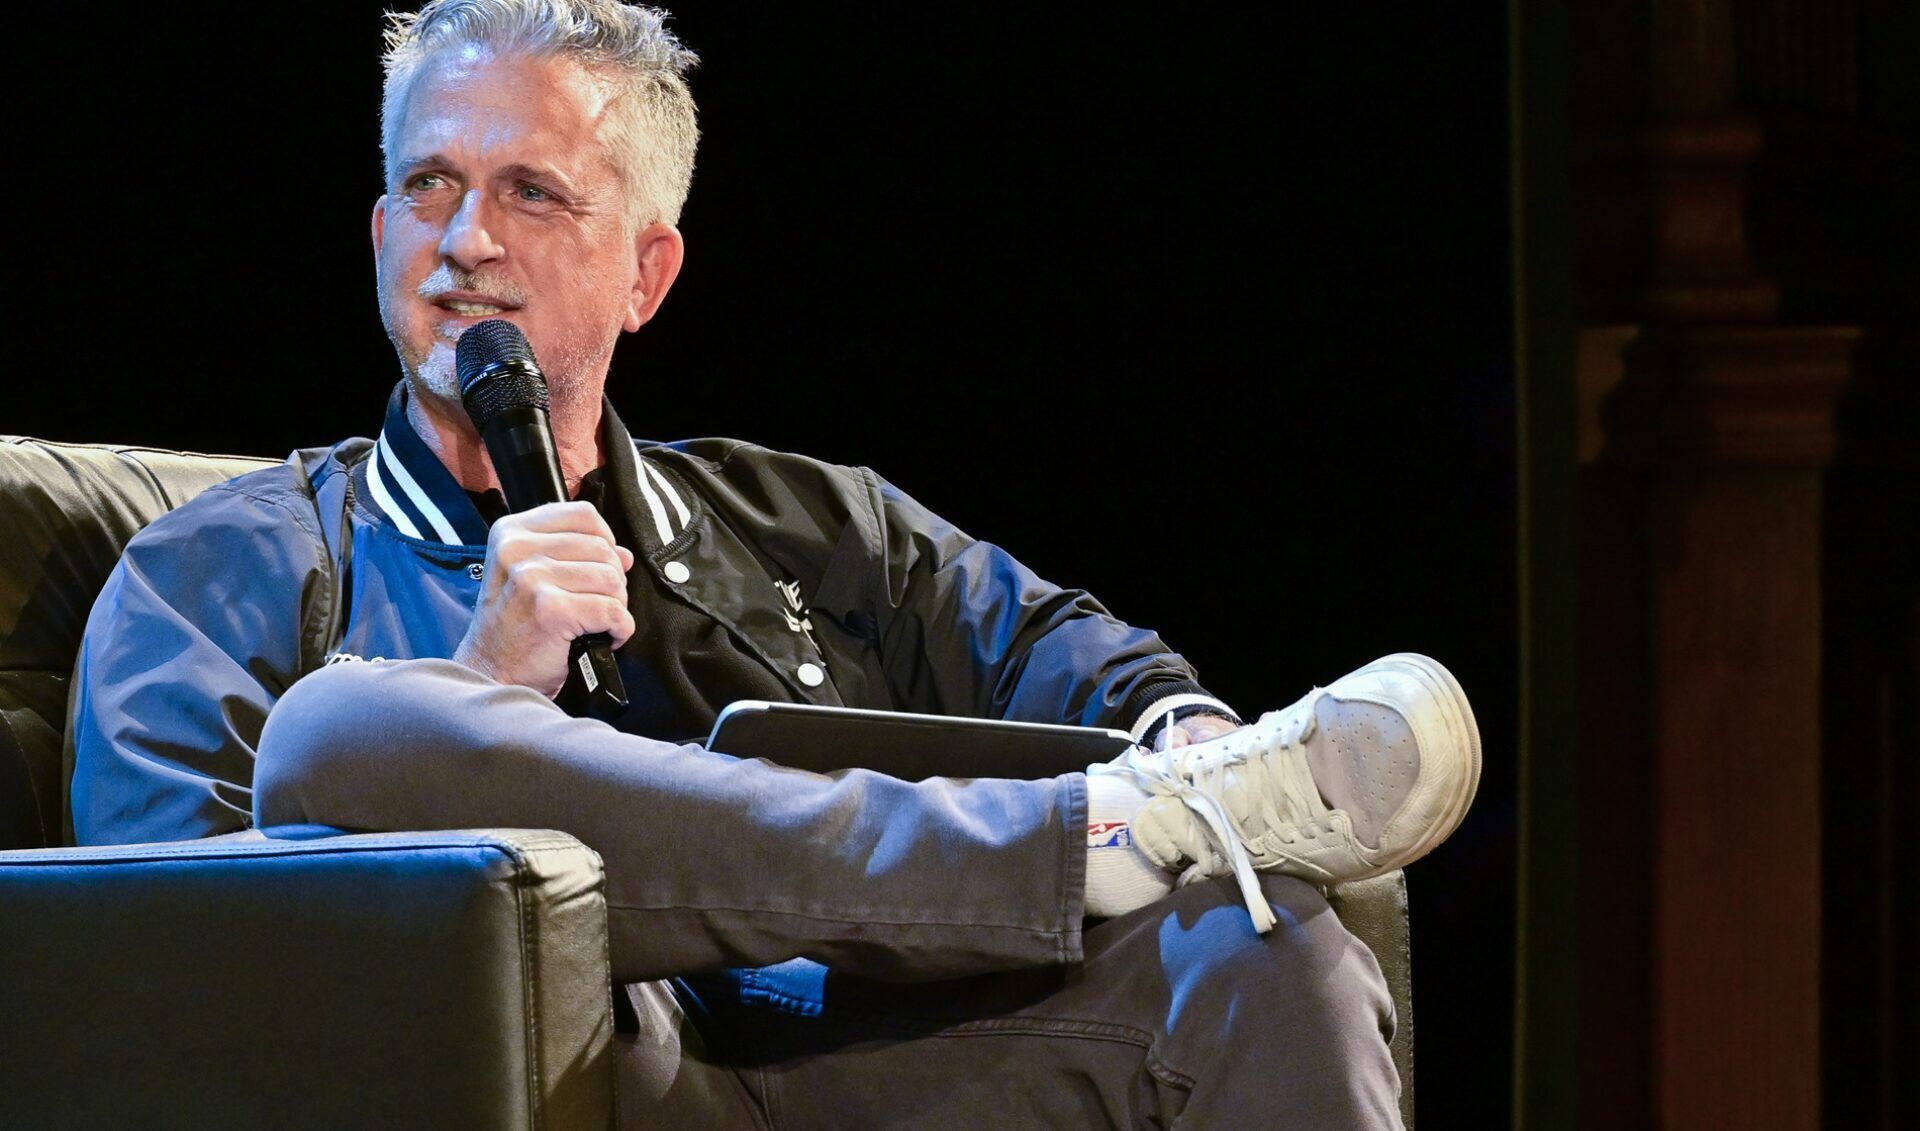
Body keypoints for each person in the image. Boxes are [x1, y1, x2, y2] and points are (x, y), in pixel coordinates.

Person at [68, 2, 1480, 1125]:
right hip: (540, 1086)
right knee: (344, 731)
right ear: (381, 232)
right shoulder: (220, 571)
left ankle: (1142, 825)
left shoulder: (803, 524)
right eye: (428, 185)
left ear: (646, 274)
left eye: (531, 194)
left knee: (1269, 947)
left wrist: (1188, 735)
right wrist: (480, 683)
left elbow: (1068, 652)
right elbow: (177, 964)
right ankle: (1083, 842)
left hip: (849, 1061)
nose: (466, 240)